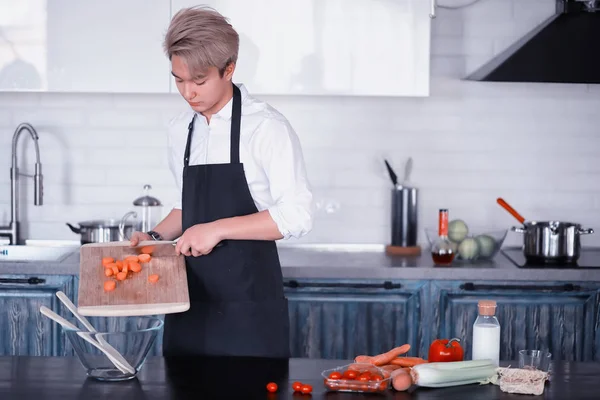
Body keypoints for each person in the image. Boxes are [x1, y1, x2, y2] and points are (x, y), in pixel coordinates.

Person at [129, 6, 314, 358]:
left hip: (249, 311)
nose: (188, 92)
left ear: (229, 69)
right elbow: (187, 206)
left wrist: (217, 229)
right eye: (178, 80)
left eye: (199, 81)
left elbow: (298, 215)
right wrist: (154, 238)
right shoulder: (180, 129)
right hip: (188, 305)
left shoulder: (266, 128)